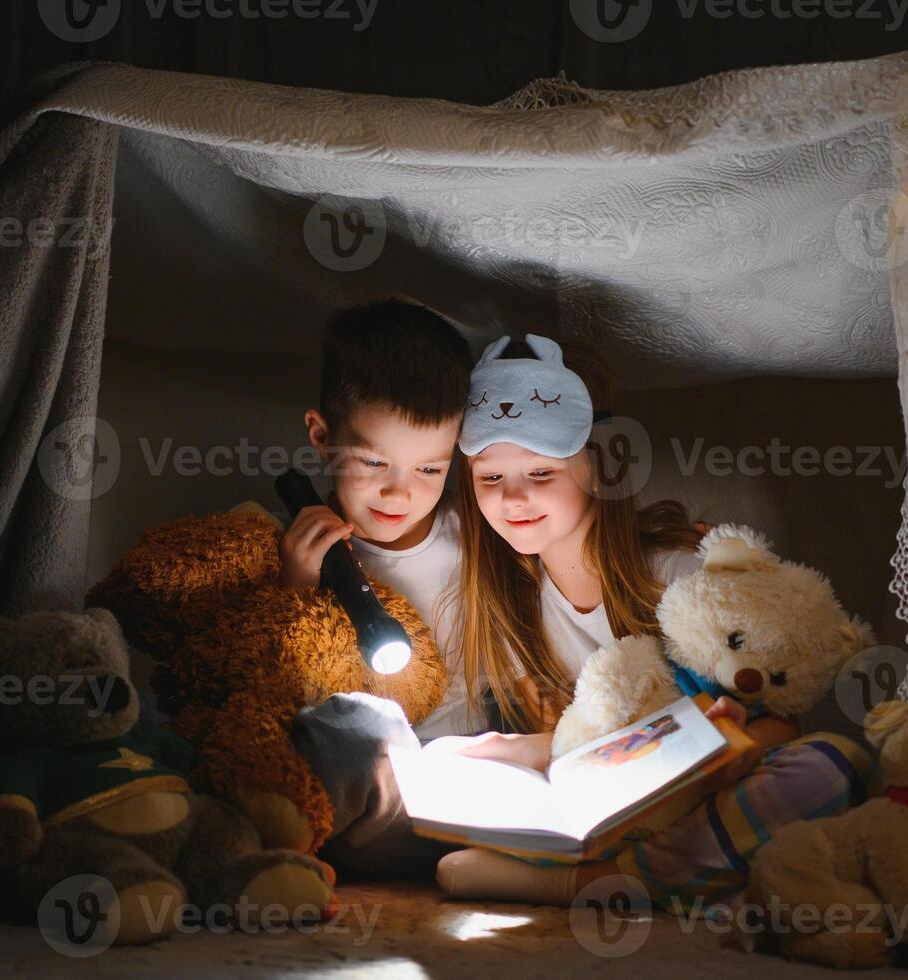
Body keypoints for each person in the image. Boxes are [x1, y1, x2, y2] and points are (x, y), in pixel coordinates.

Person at [434, 334, 871, 910]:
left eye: (541, 474)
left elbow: (781, 723)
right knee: (455, 858)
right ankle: (691, 875)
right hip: (612, 807)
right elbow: (570, 745)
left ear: (597, 467)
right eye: (491, 479)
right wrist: (514, 751)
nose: (513, 498)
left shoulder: (674, 571)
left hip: (712, 792)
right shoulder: (512, 604)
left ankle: (600, 886)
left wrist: (728, 747)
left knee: (836, 765)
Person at [283, 298, 482, 875]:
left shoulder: (474, 539)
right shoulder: (299, 549)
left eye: (428, 469)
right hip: (360, 794)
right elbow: (275, 678)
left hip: (465, 780)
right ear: (321, 436)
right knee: (352, 729)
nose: (400, 494)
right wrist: (295, 584)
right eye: (373, 464)